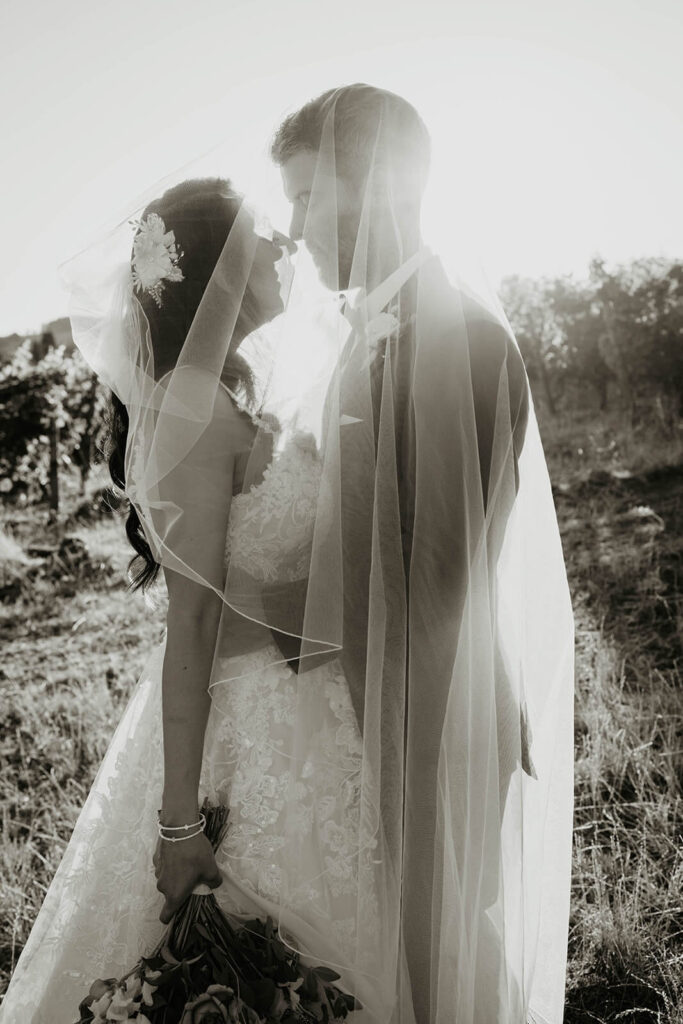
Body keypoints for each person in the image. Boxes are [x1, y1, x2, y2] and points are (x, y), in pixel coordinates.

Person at [0, 176, 395, 1023]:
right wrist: (180, 824)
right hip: (251, 731)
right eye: (266, 238)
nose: (289, 245)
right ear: (221, 271)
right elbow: (197, 618)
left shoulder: (230, 392)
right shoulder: (190, 403)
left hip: (312, 705)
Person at [265, 84, 575, 1023]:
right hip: (372, 716)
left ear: (380, 191)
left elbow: (439, 578)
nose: (293, 226)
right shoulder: (364, 335)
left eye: (307, 196)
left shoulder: (466, 341)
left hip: (429, 729)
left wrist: (267, 611)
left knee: (443, 976)